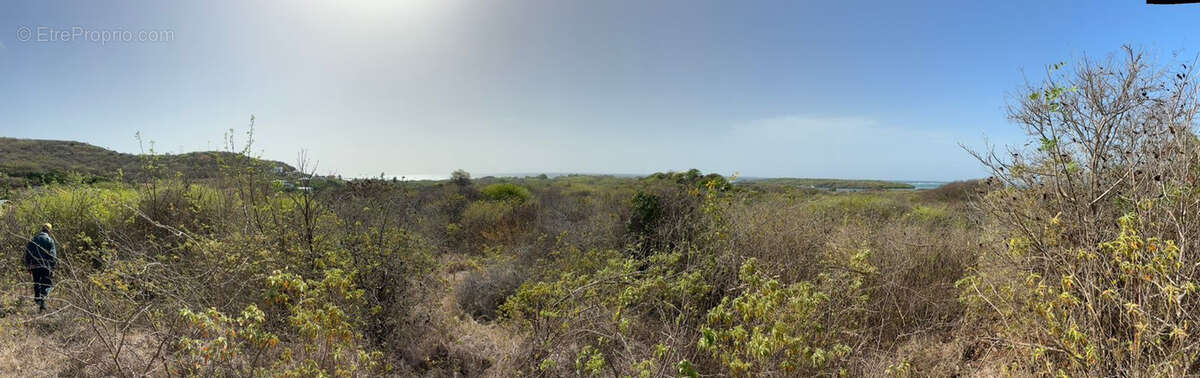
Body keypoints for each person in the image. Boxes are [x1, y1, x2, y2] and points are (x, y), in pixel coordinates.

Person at [24, 223, 57, 313]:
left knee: (37, 284)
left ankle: (38, 300)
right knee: (47, 285)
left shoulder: (33, 239)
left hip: (34, 266)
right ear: (49, 230)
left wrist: (28, 266)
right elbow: (53, 256)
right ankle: (42, 303)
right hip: (46, 267)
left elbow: (27, 254)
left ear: (42, 229)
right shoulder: (50, 240)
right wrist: (53, 268)